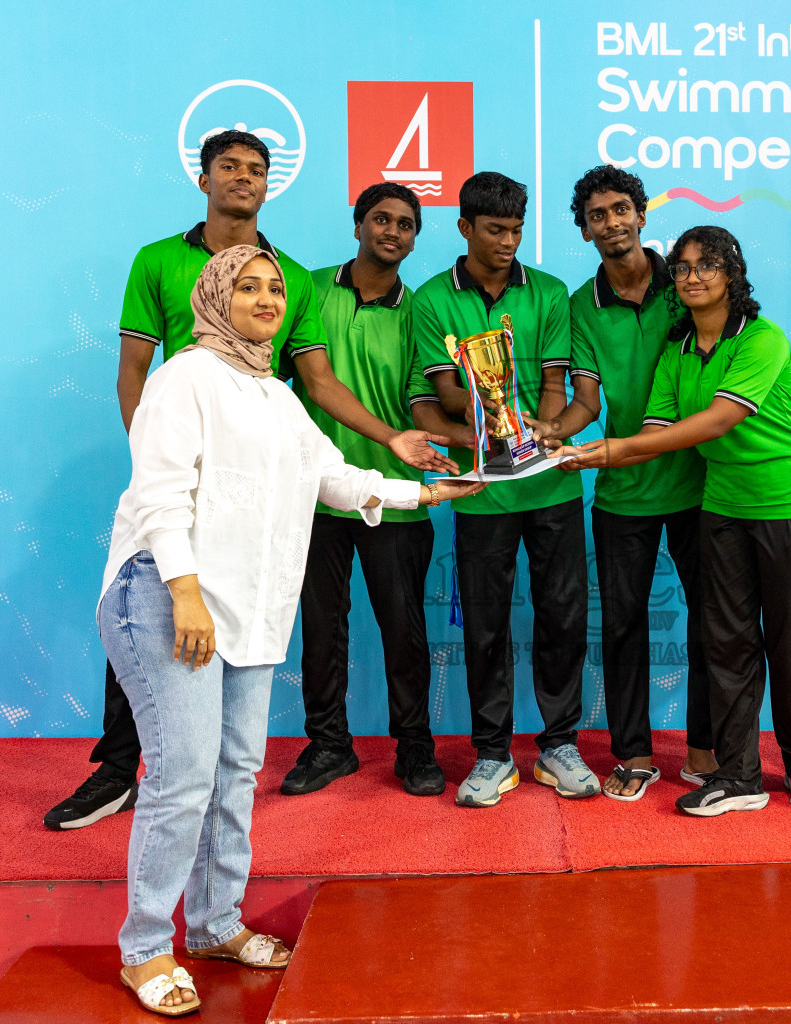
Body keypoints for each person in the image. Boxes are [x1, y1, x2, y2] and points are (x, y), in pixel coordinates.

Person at [101, 246, 480, 1014]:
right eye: (247, 286)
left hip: (245, 607)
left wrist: (422, 493)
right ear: (215, 296)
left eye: (275, 288)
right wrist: (185, 592)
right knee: (183, 775)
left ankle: (214, 924)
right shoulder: (183, 378)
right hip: (169, 595)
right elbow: (159, 493)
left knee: (236, 770)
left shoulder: (278, 396)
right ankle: (145, 948)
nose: (266, 298)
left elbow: (333, 476)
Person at [45, 129, 331, 831]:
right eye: (229, 166)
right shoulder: (158, 261)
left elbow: (316, 384)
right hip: (178, 485)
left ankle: (213, 803)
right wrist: (157, 468)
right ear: (203, 179)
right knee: (153, 625)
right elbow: (133, 373)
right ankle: (118, 772)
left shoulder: (291, 276)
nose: (243, 177)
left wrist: (391, 444)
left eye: (256, 168)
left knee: (224, 660)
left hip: (245, 502)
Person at [553, 225, 791, 817]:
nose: (692, 277)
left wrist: (614, 450)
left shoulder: (762, 337)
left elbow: (717, 420)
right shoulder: (676, 351)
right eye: (681, 268)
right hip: (723, 507)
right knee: (729, 645)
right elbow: (657, 427)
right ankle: (740, 776)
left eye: (708, 266)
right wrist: (590, 451)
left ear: (733, 274)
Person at [412, 171, 599, 807]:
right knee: (486, 624)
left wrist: (539, 437)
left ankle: (559, 745)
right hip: (481, 491)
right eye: (494, 230)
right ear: (465, 227)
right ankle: (492, 754)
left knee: (562, 618)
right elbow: (443, 396)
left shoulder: (549, 292)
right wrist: (493, 431)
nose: (507, 242)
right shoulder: (433, 299)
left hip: (549, 488)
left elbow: (555, 386)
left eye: (516, 230)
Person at [525, 166, 712, 801]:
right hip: (622, 493)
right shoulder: (580, 305)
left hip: (699, 485)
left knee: (711, 622)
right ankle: (633, 753)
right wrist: (552, 431)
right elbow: (585, 401)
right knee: (624, 627)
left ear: (641, 215)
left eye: (620, 210)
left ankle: (705, 747)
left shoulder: (685, 284)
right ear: (585, 230)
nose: (611, 223)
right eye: (597, 216)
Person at [279, 183, 462, 798]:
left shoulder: (421, 312)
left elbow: (423, 401)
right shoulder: (305, 290)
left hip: (397, 496)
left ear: (415, 239)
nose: (392, 231)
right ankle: (329, 746)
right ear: (357, 225)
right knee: (321, 629)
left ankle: (415, 748)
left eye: (406, 224)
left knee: (404, 631)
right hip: (316, 494)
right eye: (381, 219)